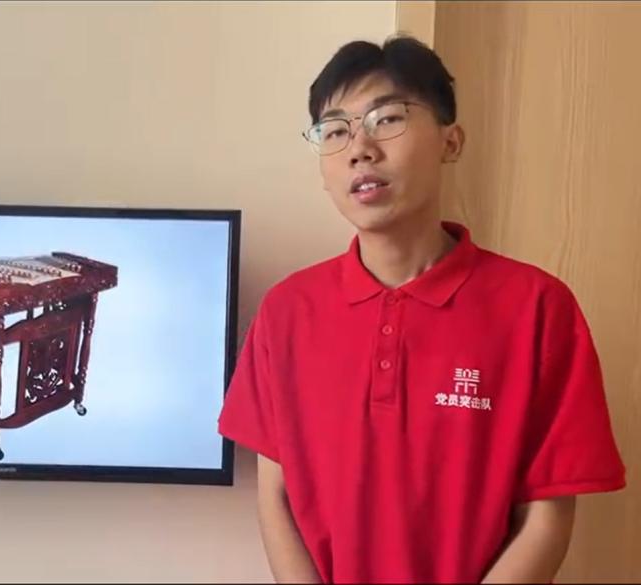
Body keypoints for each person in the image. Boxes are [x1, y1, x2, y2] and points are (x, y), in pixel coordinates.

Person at [217, 35, 626, 584]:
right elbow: (276, 497)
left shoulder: (538, 308)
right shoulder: (287, 312)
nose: (360, 148)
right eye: (335, 131)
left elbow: (547, 515)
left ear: (450, 141)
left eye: (386, 119)